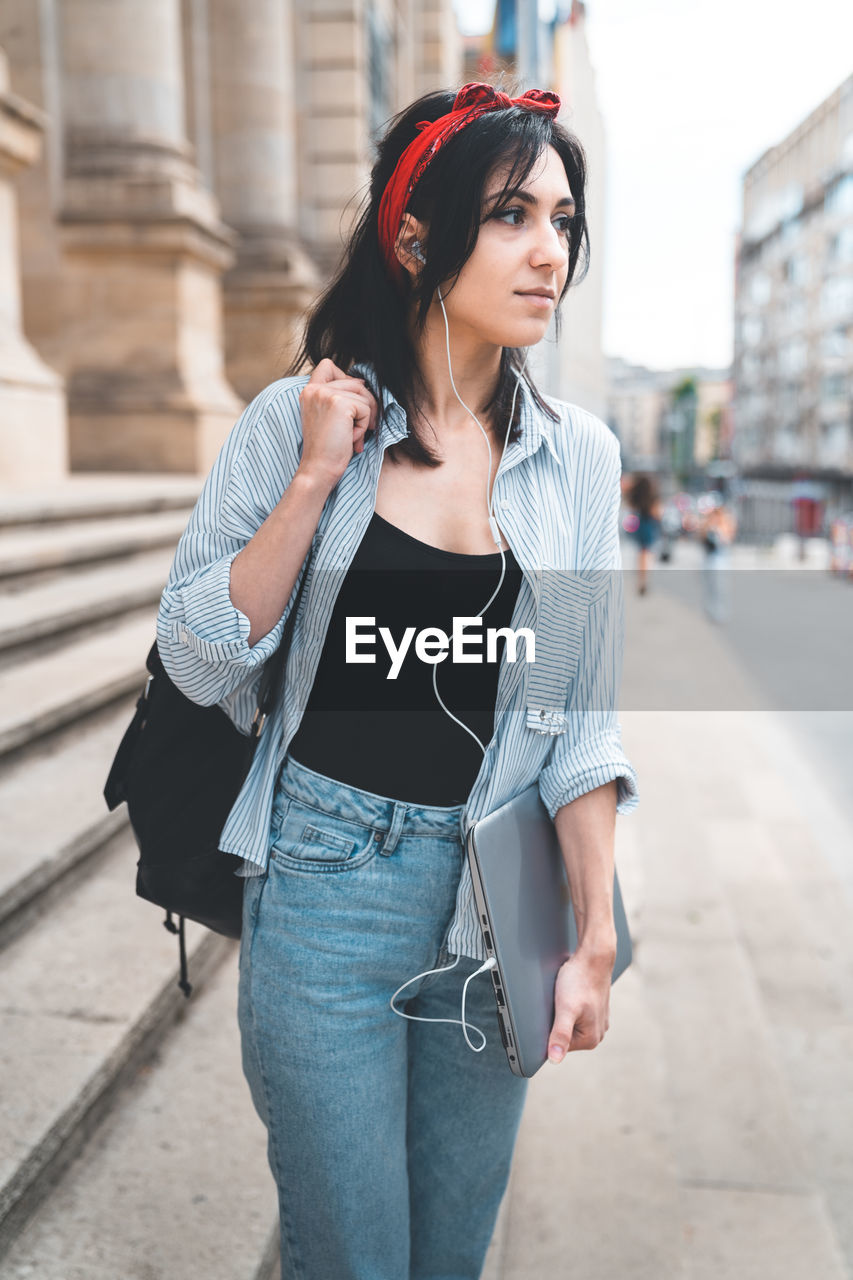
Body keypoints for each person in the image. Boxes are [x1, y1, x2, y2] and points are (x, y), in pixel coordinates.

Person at [156, 79, 639, 1280]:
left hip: (501, 896)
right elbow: (199, 655)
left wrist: (590, 935)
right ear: (416, 235)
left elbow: (578, 719)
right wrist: (317, 479)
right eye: (512, 215)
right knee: (353, 1254)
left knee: (449, 1252)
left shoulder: (579, 458)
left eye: (564, 221)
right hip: (323, 885)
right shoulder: (296, 420)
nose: (548, 252)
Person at [699, 497, 737, 624]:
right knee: (709, 587)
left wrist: (718, 531)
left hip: (721, 561)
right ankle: (710, 611)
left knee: (720, 588)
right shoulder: (707, 526)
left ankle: (720, 613)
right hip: (709, 561)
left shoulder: (724, 526)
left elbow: (727, 540)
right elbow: (701, 539)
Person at [626, 474, 663, 594]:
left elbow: (631, 506)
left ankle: (641, 577)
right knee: (648, 552)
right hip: (649, 525)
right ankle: (644, 577)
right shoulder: (652, 496)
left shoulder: (637, 495)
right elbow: (657, 513)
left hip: (639, 524)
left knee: (641, 552)